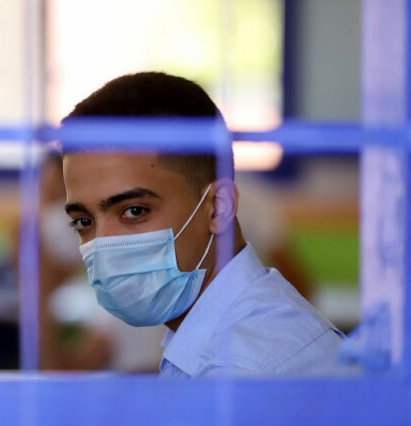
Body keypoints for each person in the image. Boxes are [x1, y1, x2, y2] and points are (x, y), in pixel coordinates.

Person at [60, 72, 344, 377]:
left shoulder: (242, 371)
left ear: (218, 208)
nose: (104, 244)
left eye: (134, 211)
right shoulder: (216, 342)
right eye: (83, 221)